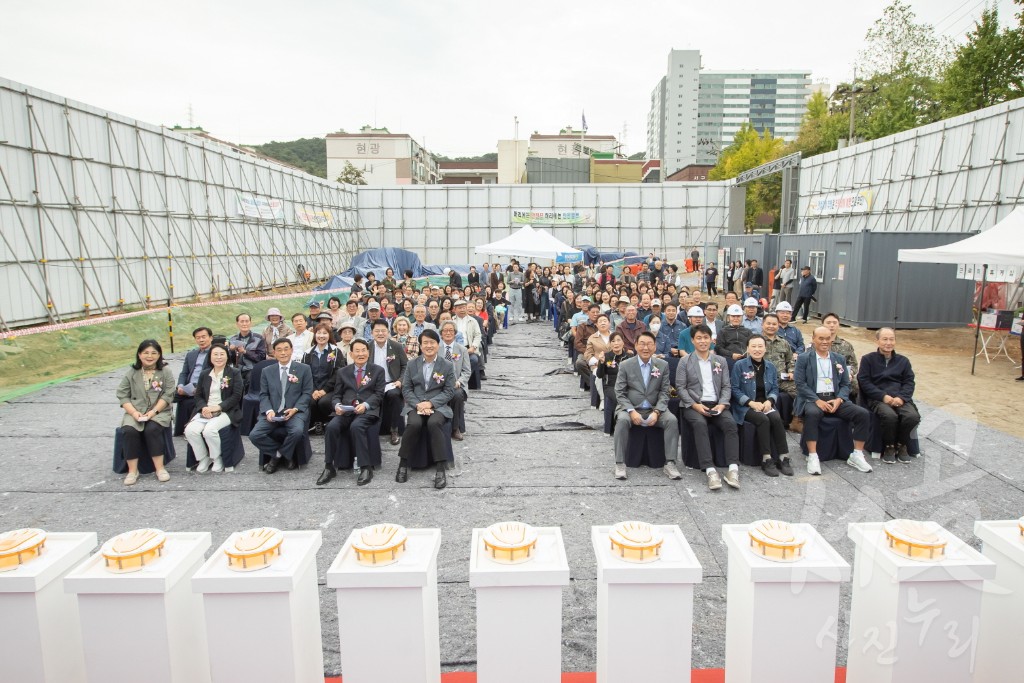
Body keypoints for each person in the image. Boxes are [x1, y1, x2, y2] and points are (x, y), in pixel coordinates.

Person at [794, 327, 872, 475]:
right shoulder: (804, 358)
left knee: (862, 414)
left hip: (834, 397)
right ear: (813, 339)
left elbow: (845, 384)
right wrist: (817, 400)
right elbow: (800, 384)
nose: (825, 342)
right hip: (812, 398)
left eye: (827, 338)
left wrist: (840, 399)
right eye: (821, 338)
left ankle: (857, 454)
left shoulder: (839, 358)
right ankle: (812, 455)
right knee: (812, 414)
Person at [676, 325, 741, 491]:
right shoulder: (685, 361)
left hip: (717, 404)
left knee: (730, 424)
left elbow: (727, 386)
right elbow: (681, 388)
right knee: (700, 424)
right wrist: (695, 406)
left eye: (706, 337)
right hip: (694, 404)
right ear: (692, 340)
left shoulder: (721, 361)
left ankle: (733, 469)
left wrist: (723, 404)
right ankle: (710, 470)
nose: (702, 341)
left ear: (711, 340)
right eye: (699, 338)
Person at [612, 332, 681, 481]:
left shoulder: (662, 365)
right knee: (622, 421)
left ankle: (670, 463)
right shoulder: (625, 365)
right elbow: (619, 392)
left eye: (649, 344)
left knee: (672, 420)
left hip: (654, 407)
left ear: (655, 346)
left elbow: (664, 391)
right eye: (642, 343)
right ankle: (619, 463)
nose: (645, 347)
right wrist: (631, 411)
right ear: (636, 345)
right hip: (629, 407)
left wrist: (657, 411)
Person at [317, 338, 385, 487]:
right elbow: (336, 395)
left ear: (368, 352)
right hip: (346, 411)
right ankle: (329, 467)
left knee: (357, 427)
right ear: (351, 353)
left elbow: (379, 394)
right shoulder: (342, 372)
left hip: (367, 411)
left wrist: (366, 405)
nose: (361, 354)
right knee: (331, 427)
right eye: (357, 351)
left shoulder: (378, 370)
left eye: (363, 350)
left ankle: (366, 467)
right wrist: (337, 406)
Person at [396, 329, 457, 489]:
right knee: (414, 424)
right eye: (425, 343)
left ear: (438, 345)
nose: (429, 346)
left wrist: (430, 403)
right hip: (415, 404)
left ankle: (440, 467)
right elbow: (406, 389)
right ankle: (403, 463)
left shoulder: (447, 365)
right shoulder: (412, 364)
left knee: (434, 423)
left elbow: (449, 391)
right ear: (420, 346)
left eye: (432, 342)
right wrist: (418, 404)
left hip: (438, 406)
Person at [731, 335, 793, 477]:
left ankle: (783, 456)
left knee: (777, 418)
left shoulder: (770, 366)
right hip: (746, 406)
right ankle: (767, 458)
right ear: (747, 348)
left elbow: (775, 388)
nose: (757, 349)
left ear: (765, 348)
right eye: (753, 346)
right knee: (763, 420)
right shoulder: (739, 366)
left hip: (765, 404)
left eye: (760, 346)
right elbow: (734, 389)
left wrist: (770, 401)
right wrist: (750, 402)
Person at [249, 338, 314, 473]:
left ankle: (282, 455)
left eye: (286, 349)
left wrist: (296, 409)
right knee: (254, 435)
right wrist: (268, 411)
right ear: (274, 353)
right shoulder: (267, 371)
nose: (283, 353)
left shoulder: (304, 369)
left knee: (296, 432)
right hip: (273, 411)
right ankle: (279, 454)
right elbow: (263, 394)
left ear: (292, 350)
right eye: (279, 350)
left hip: (294, 411)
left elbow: (307, 393)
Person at [116, 340, 176, 485]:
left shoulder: (165, 371)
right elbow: (122, 395)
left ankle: (160, 468)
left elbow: (168, 394)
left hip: (159, 411)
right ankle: (132, 471)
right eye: (146, 353)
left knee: (152, 429)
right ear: (139, 354)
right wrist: (134, 413)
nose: (150, 356)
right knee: (129, 431)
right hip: (135, 411)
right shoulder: (131, 373)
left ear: (159, 355)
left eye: (154, 353)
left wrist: (153, 412)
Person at [858, 328, 920, 464]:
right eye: (885, 339)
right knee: (889, 416)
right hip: (878, 398)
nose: (888, 343)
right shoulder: (868, 360)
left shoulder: (903, 361)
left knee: (912, 416)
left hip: (899, 397)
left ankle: (901, 444)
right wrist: (883, 396)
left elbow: (909, 382)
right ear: (877, 341)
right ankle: (889, 446)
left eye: (891, 339)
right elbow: (864, 382)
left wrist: (902, 397)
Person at [184, 342, 243, 473]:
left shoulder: (234, 373)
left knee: (209, 431)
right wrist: (204, 408)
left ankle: (217, 458)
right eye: (215, 354)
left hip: (226, 411)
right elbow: (198, 395)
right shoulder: (205, 374)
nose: (218, 357)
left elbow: (236, 396)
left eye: (222, 354)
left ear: (227, 356)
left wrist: (218, 407)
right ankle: (203, 458)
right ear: (210, 357)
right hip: (205, 410)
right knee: (190, 431)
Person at [369, 319, 408, 445]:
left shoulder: (396, 346)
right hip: (373, 383)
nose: (380, 333)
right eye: (377, 331)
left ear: (388, 332)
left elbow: (405, 366)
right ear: (372, 333)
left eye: (383, 331)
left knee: (394, 395)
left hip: (392, 383)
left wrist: (400, 380)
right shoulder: (367, 347)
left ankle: (394, 429)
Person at [303, 323, 344, 436]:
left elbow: (338, 373)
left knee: (324, 402)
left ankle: (328, 422)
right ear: (314, 335)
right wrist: (313, 390)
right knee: (310, 401)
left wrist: (324, 390)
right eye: (319, 333)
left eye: (324, 333)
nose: (321, 336)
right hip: (313, 388)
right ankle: (317, 423)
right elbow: (305, 374)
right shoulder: (308, 353)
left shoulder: (336, 351)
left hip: (331, 389)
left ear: (329, 335)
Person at [761, 314, 798, 430]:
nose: (771, 326)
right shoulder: (757, 341)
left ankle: (796, 419)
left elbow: (790, 360)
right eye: (768, 323)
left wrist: (791, 371)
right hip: (763, 379)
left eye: (774, 324)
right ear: (762, 325)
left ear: (778, 326)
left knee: (802, 389)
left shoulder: (784, 343)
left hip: (782, 379)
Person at [439, 321, 472, 441]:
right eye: (445, 331)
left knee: (457, 395)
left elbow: (467, 371)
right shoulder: (436, 348)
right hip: (439, 384)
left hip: (457, 384)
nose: (448, 333)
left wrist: (459, 381)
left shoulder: (462, 350)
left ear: (455, 333)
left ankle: (455, 428)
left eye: (451, 330)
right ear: (441, 333)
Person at [822, 313, 859, 400]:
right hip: (822, 377)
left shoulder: (846, 345)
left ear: (838, 325)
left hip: (843, 377)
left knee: (856, 385)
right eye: (828, 323)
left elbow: (854, 365)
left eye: (835, 323)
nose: (832, 325)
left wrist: (850, 373)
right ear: (822, 324)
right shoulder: (815, 345)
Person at [229, 313, 267, 390]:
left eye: (247, 321)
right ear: (237, 324)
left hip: (253, 369)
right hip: (238, 370)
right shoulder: (233, 339)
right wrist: (231, 351)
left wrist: (245, 352)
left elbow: (261, 358)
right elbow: (231, 360)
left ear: (250, 323)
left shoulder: (258, 338)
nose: (244, 324)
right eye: (242, 321)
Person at [717, 304, 752, 371]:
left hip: (746, 359)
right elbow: (719, 348)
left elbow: (752, 345)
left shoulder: (748, 331)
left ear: (742, 317)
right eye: (733, 316)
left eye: (738, 316)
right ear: (728, 317)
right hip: (729, 360)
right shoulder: (723, 331)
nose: (736, 319)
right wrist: (731, 355)